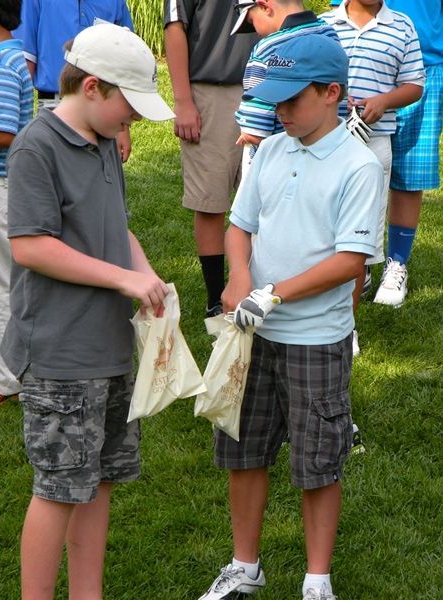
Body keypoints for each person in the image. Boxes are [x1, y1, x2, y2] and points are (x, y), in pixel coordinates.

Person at [198, 34, 383, 600]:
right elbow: (239, 224)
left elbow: (350, 261)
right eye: (273, 101)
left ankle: (316, 579)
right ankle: (244, 566)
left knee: (318, 459)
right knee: (243, 449)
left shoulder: (359, 166)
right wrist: (237, 275)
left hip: (316, 338)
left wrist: (274, 294)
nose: (279, 111)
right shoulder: (272, 150)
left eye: (291, 100)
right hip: (254, 334)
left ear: (332, 93)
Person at [1, 23, 173, 598]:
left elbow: (114, 228)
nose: (136, 121)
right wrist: (123, 278)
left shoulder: (105, 142)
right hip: (60, 351)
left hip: (109, 345)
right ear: (93, 87)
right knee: (57, 488)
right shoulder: (36, 146)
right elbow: (31, 245)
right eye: (130, 106)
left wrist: (144, 274)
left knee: (99, 482)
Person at [320, 0, 424, 353]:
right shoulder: (324, 25)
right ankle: (312, 315)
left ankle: (344, 329)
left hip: (373, 144)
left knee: (356, 241)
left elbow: (414, 85)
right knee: (319, 232)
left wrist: (385, 100)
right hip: (324, 140)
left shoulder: (402, 26)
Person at [163, 1, 258, 318]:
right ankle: (217, 298)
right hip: (209, 89)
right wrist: (183, 100)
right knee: (210, 199)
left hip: (264, 89)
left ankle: (256, 289)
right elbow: (176, 26)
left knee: (265, 199)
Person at [373, 0, 443, 306]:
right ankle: (357, 263)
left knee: (410, 171)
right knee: (359, 169)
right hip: (373, 60)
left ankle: (396, 264)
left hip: (428, 64)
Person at [14, 0, 134, 161]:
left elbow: (124, 63)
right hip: (54, 105)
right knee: (54, 169)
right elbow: (26, 62)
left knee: (97, 174)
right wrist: (18, 123)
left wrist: (123, 128)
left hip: (103, 106)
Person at [232, 0, 338, 179]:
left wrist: (248, 131)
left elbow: (254, 127)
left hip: (277, 167)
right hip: (329, 156)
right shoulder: (330, 35)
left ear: (265, 6)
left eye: (251, 22)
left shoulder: (266, 48)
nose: (256, 32)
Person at [0, 0, 33, 406]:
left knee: (2, 283)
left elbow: (2, 132)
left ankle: (7, 378)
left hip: (0, 185)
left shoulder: (1, 64)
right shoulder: (6, 55)